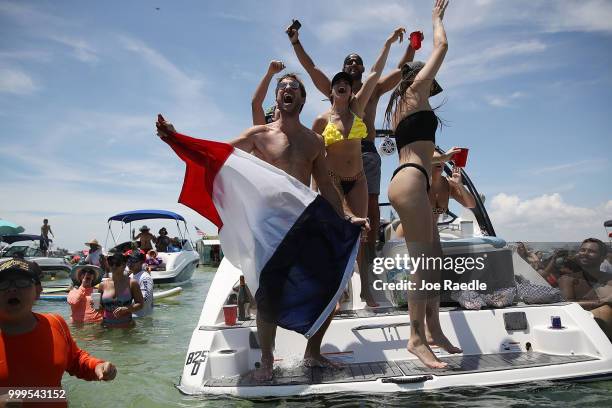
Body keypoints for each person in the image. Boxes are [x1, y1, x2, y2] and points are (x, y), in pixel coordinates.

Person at [157, 73, 368, 380]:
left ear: (302, 99)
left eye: (293, 88)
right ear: (277, 99)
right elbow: (215, 156)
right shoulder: (259, 135)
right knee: (267, 296)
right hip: (268, 228)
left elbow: (327, 184)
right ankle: (268, 361)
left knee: (331, 286)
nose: (287, 91)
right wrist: (177, 138)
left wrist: (348, 217)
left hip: (304, 223)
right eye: (282, 88)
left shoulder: (314, 141)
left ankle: (313, 353)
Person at [288, 21, 418, 307]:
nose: (344, 82)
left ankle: (366, 288)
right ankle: (338, 286)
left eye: (357, 63)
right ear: (333, 90)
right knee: (334, 230)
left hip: (360, 172)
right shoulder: (323, 116)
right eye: (338, 83)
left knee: (364, 228)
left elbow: (380, 72)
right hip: (332, 177)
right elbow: (311, 70)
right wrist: (296, 43)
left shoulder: (361, 103)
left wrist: (392, 43)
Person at [384, 0, 462, 369]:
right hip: (411, 183)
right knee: (424, 261)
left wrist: (442, 161)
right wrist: (436, 20)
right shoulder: (414, 92)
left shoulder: (404, 107)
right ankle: (415, 338)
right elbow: (442, 47)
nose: (432, 90)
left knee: (435, 259)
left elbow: (416, 151)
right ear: (417, 79)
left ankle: (433, 328)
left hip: (410, 177)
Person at [0, 258, 116, 399]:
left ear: (38, 291)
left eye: (22, 282)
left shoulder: (55, 323)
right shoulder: (75, 291)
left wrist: (97, 366)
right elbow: (73, 301)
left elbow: (75, 360)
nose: (12, 288)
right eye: (3, 283)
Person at [395, 152, 476, 239]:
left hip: (431, 234)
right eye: (437, 159)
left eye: (442, 159)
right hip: (407, 234)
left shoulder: (448, 185)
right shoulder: (418, 183)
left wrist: (459, 185)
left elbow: (471, 204)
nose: (440, 162)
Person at [558, 238, 612, 340]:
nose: (585, 253)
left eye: (591, 251)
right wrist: (601, 302)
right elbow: (568, 304)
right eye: (582, 250)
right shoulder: (567, 279)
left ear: (602, 258)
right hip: (583, 332)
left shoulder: (609, 279)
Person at [98, 251, 144, 328]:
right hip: (107, 328)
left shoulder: (132, 283)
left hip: (127, 328)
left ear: (124, 265)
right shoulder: (102, 285)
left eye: (117, 263)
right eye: (111, 263)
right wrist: (95, 306)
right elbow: (100, 308)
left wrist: (126, 309)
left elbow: (140, 304)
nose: (114, 266)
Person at [252, 60, 285, 125]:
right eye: (278, 107)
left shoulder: (303, 134)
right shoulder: (264, 131)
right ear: (271, 118)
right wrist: (270, 73)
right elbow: (256, 104)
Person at [126, 249, 154, 317]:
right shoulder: (131, 276)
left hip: (142, 318)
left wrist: (125, 306)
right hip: (131, 316)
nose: (130, 263)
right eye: (128, 260)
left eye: (133, 260)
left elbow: (144, 298)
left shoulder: (145, 278)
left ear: (141, 262)